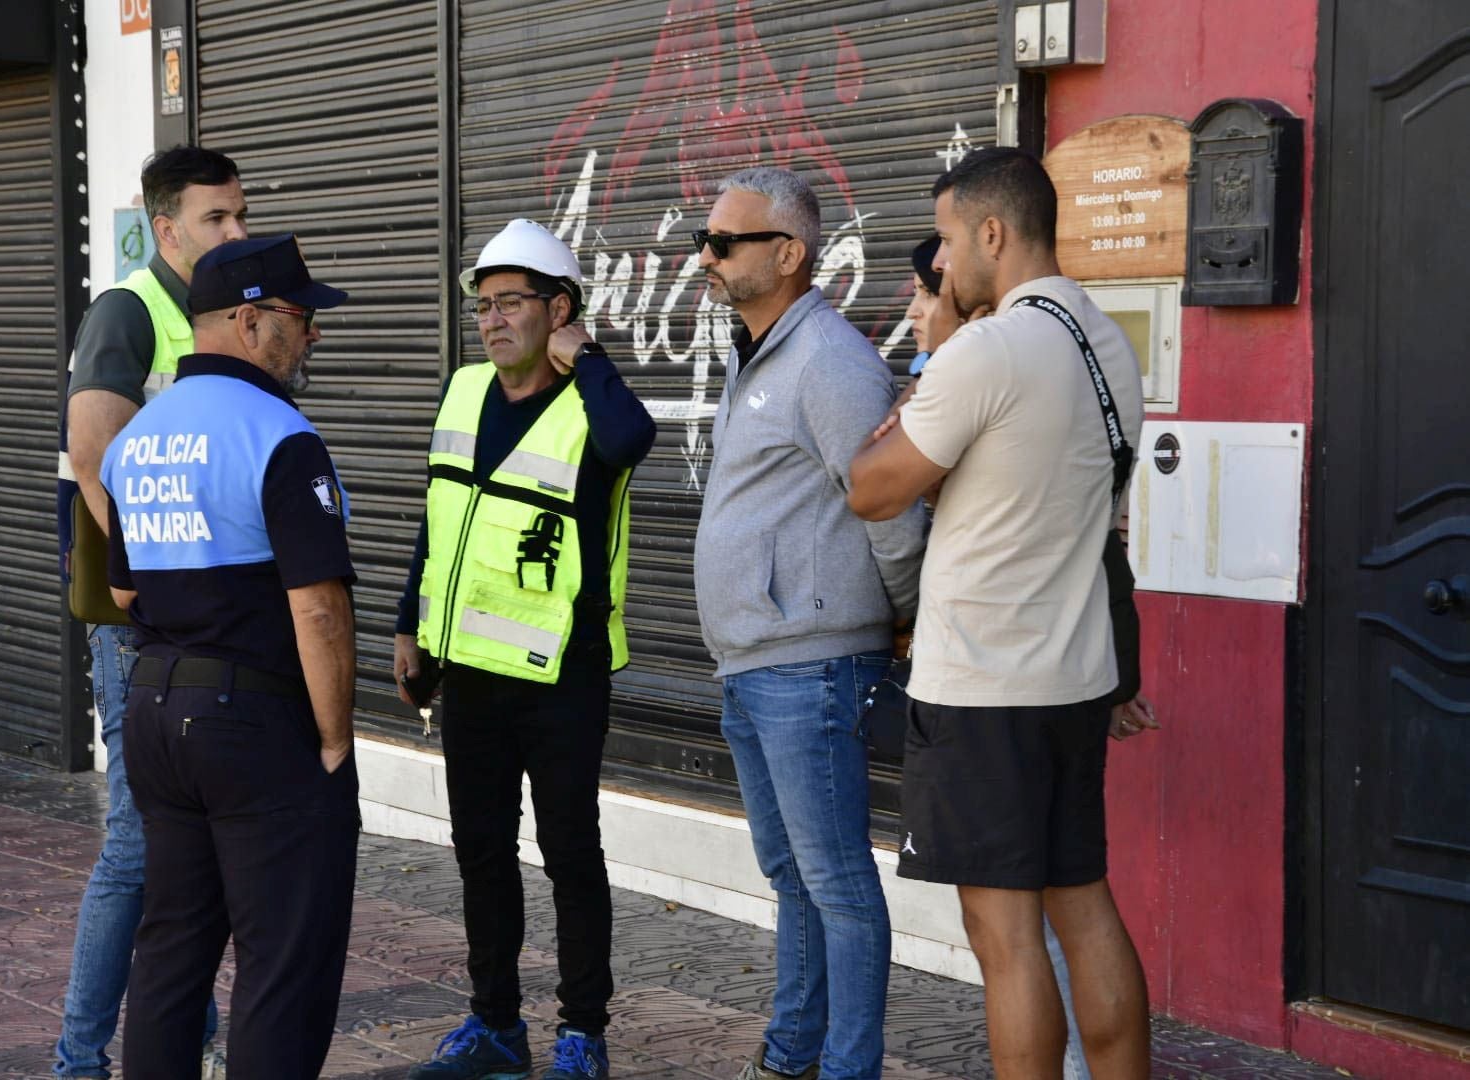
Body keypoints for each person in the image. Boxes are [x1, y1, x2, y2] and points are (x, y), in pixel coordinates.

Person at [849, 147, 1151, 1079]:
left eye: (944, 241)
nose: (938, 265)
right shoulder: (1106, 341)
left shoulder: (985, 350)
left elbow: (872, 488)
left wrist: (931, 358)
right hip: (1073, 680)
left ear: (993, 232)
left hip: (982, 686)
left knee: (1004, 935)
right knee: (1084, 903)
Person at [394, 218, 656, 1080]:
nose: (493, 320)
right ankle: (496, 1025)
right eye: (484, 305)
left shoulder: (593, 405)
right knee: (480, 851)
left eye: (511, 303)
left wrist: (588, 359)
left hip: (560, 674)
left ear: (559, 309)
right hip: (468, 669)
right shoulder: (464, 390)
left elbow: (634, 441)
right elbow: (440, 522)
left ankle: (583, 1030)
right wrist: (409, 626)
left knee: (570, 850)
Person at [100, 234, 358, 1080]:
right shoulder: (281, 436)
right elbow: (318, 607)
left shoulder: (137, 439)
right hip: (257, 725)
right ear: (248, 322)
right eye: (299, 317)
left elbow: (126, 592)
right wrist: (333, 739)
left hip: (157, 716)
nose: (311, 335)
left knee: (171, 950)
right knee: (284, 959)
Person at [691, 167, 926, 1080]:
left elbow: (892, 506)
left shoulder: (829, 360)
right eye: (706, 241)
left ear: (787, 254)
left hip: (812, 666)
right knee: (794, 878)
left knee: (838, 886)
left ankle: (845, 1067)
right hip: (754, 667)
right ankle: (793, 1057)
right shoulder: (764, 352)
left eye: (723, 242)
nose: (703, 257)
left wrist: (902, 618)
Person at [55, 144, 247, 1080]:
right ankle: (79, 1061)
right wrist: (143, 586)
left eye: (240, 215)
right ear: (166, 227)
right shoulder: (129, 314)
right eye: (217, 219)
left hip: (193, 625)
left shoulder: (207, 317)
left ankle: (189, 1029)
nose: (235, 231)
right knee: (136, 844)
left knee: (180, 843)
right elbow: (94, 453)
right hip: (141, 627)